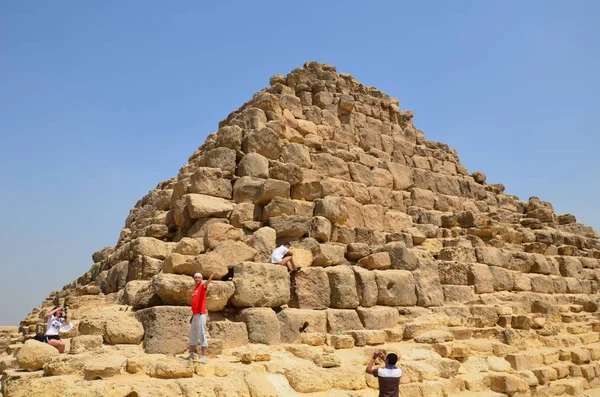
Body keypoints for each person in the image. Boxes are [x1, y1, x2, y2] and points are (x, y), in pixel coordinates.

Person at [184, 272, 215, 363]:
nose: (197, 279)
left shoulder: (202, 287)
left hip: (201, 314)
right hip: (195, 315)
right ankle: (191, 355)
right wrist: (192, 316)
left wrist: (210, 279)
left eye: (199, 278)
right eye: (196, 278)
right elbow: (195, 304)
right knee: (193, 334)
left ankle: (204, 357)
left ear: (201, 279)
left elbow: (206, 284)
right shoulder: (195, 289)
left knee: (202, 333)